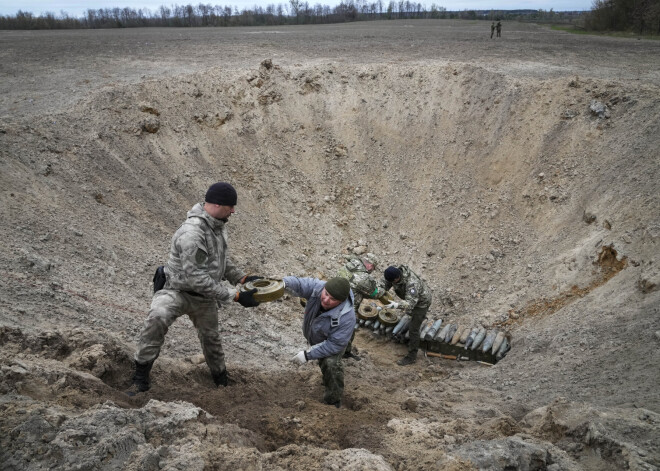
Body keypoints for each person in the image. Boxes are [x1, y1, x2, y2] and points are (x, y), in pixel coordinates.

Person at [127, 182, 262, 395]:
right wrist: (235, 296)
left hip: (204, 298)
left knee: (212, 339)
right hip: (177, 291)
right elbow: (196, 279)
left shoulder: (217, 226)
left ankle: (221, 380)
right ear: (217, 205)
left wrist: (242, 278)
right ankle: (140, 377)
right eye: (230, 206)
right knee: (157, 318)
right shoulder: (192, 232)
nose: (233, 211)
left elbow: (220, 261)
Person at [285, 276, 355, 408]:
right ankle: (347, 349)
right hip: (326, 335)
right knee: (344, 337)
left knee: (331, 363)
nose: (326, 299)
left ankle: (333, 400)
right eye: (326, 294)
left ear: (341, 301)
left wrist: (307, 355)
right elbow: (299, 284)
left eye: (333, 299)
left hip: (332, 341)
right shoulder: (318, 287)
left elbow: (334, 344)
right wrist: (282, 284)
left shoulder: (347, 318)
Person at [381, 265, 432, 366]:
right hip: (410, 299)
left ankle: (411, 356)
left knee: (413, 330)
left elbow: (410, 304)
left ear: (397, 278)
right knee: (409, 316)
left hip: (421, 304)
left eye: (393, 281)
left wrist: (396, 305)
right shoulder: (394, 274)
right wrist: (379, 290)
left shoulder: (412, 283)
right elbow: (384, 283)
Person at [336, 253, 384, 360]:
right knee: (346, 332)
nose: (372, 270)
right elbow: (375, 293)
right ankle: (339, 356)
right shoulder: (363, 277)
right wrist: (383, 286)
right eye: (373, 268)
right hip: (347, 308)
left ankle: (345, 352)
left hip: (335, 302)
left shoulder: (349, 266)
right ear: (370, 265)